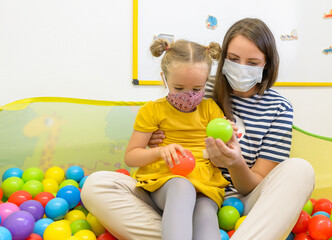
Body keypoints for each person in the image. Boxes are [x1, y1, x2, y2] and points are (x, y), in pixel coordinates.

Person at [81, 18, 315, 240]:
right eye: (233, 58)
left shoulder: (278, 108)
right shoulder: (201, 86)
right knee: (96, 185)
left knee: (300, 170)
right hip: (168, 186)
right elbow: (165, 113)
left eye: (252, 63)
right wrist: (156, 143)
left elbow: (257, 182)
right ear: (222, 59)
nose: (190, 95)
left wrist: (234, 162)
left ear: (267, 64)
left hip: (231, 197)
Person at [123, 38, 231, 240]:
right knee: (182, 187)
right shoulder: (152, 110)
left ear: (206, 81)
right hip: (166, 181)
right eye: (179, 88)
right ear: (165, 79)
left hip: (204, 184)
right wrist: (159, 152)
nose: (188, 95)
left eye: (197, 89)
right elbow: (131, 156)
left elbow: (219, 158)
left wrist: (226, 137)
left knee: (206, 214)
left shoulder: (210, 110)